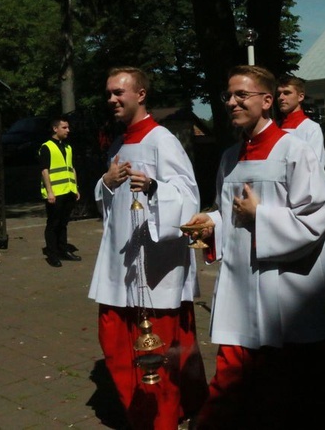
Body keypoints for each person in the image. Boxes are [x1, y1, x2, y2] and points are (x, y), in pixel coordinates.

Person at [185, 65, 325, 429]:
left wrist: (262, 215)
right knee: (238, 378)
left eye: (242, 95)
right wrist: (213, 224)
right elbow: (232, 214)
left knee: (286, 387)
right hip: (242, 287)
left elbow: (316, 217)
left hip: (284, 290)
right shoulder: (230, 156)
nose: (232, 102)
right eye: (228, 95)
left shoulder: (296, 151)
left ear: (267, 101)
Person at [88, 67, 207, 429]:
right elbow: (108, 207)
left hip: (154, 270)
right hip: (119, 266)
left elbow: (189, 198)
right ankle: (145, 415)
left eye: (118, 92)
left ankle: (160, 420)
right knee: (116, 344)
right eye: (108, 93)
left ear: (140, 95)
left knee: (158, 353)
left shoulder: (162, 140)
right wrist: (105, 184)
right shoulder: (118, 144)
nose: (111, 99)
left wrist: (155, 187)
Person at [39, 117, 80, 268]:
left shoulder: (68, 147)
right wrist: (50, 192)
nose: (68, 130)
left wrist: (75, 188)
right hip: (55, 193)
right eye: (64, 127)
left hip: (68, 191)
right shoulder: (46, 147)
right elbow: (44, 171)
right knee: (53, 224)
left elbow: (71, 168)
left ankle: (64, 251)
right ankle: (52, 254)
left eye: (68, 127)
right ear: (55, 129)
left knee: (63, 223)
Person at [277, 75, 325, 166]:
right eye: (279, 94)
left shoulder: (311, 128)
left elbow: (314, 166)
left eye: (287, 93)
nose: (281, 97)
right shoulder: (275, 127)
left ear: (300, 97)